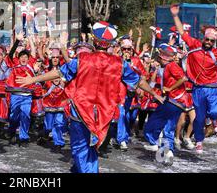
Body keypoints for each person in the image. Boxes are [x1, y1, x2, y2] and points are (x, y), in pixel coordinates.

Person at [16, 22, 164, 173]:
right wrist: (154, 93)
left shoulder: (83, 59)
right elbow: (139, 81)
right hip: (104, 113)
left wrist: (33, 79)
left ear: (93, 39)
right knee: (91, 148)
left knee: (80, 148)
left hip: (80, 111)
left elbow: (59, 73)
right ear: (111, 44)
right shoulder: (119, 63)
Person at [170, 4, 217, 153]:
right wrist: (175, 15)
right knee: (198, 119)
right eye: (207, 39)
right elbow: (182, 32)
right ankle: (199, 141)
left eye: (211, 41)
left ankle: (214, 120)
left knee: (216, 110)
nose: (208, 42)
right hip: (197, 89)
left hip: (213, 89)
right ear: (204, 38)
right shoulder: (194, 44)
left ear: (214, 42)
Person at [143, 44, 191, 165]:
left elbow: (184, 78)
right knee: (168, 128)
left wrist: (169, 88)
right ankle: (168, 152)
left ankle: (153, 142)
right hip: (177, 102)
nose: (163, 57)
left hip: (174, 101)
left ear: (172, 57)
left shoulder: (171, 66)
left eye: (167, 56)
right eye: (162, 55)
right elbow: (154, 82)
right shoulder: (165, 66)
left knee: (153, 122)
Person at [5, 32, 37, 147]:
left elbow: (33, 52)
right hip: (15, 95)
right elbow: (10, 55)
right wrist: (17, 40)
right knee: (14, 116)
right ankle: (12, 131)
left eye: (26, 57)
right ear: (18, 58)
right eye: (22, 56)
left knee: (25, 115)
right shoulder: (14, 63)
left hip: (27, 96)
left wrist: (30, 39)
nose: (24, 58)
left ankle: (23, 137)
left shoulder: (31, 64)